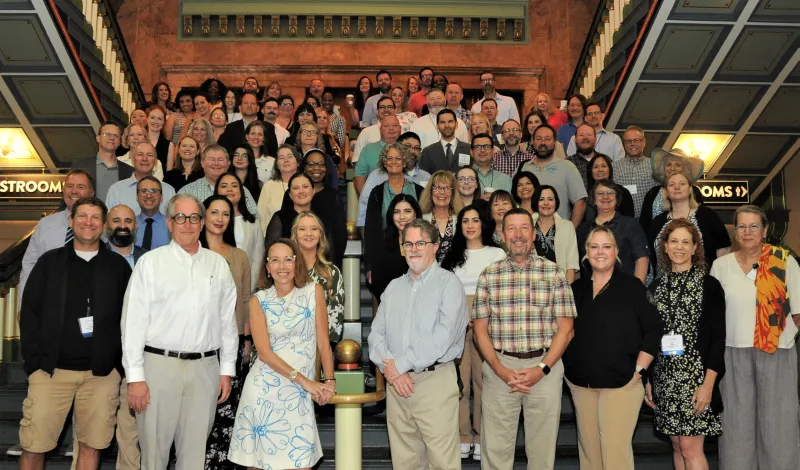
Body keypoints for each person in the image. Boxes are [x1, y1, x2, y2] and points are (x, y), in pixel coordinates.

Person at [121, 193, 239, 469]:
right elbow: (132, 324)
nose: (188, 224)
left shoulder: (218, 265)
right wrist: (135, 378)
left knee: (196, 455)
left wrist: (226, 371)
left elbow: (227, 322)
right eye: (180, 218)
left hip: (205, 369)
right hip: (157, 369)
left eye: (194, 218)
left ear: (202, 224)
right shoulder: (150, 263)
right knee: (154, 455)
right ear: (170, 224)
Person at [19, 196, 132, 470]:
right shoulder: (49, 262)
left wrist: (117, 365)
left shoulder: (118, 267)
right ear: (71, 221)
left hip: (101, 376)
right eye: (82, 216)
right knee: (34, 446)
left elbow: (130, 319)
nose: (88, 222)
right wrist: (34, 364)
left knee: (91, 446)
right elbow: (30, 313)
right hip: (51, 373)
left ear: (104, 225)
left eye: (95, 217)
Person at [473, 207, 576, 470]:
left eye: (524, 228)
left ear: (533, 234)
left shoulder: (554, 274)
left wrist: (541, 369)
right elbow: (480, 331)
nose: (518, 235)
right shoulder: (488, 275)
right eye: (511, 229)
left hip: (544, 368)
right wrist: (500, 369)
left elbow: (566, 330)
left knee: (542, 451)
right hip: (500, 370)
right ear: (502, 234)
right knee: (495, 449)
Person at [368, 219, 468, 470]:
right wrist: (391, 369)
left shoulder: (449, 284)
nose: (413, 249)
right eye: (408, 243)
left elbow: (442, 337)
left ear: (434, 246)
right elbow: (375, 336)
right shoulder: (392, 288)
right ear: (402, 248)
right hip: (397, 386)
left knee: (443, 463)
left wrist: (399, 365)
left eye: (420, 243)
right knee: (405, 463)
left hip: (434, 383)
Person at [228, 238, 335, 468]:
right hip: (263, 392)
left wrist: (330, 380)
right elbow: (264, 353)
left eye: (288, 259)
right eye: (274, 260)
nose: (282, 266)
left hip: (298, 395)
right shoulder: (259, 300)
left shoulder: (313, 291)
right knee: (258, 464)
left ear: (296, 263)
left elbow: (324, 343)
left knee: (301, 463)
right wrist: (306, 381)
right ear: (267, 267)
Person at [563, 225, 662, 470]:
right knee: (590, 454)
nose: (600, 252)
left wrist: (639, 370)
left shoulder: (632, 287)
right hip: (580, 383)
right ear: (585, 252)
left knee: (615, 454)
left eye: (606, 246)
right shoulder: (575, 290)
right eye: (594, 246)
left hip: (621, 384)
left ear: (616, 252)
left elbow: (653, 329)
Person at [710, 205, 800, 470]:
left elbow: (798, 310)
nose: (747, 232)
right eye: (741, 226)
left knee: (778, 421)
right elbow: (713, 315)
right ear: (735, 232)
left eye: (753, 226)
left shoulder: (784, 260)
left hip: (776, 352)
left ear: (765, 230)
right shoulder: (720, 265)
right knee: (736, 423)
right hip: (732, 351)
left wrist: (781, 336)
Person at [645, 219, 725, 470]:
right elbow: (649, 335)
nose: (679, 247)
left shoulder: (709, 285)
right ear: (665, 248)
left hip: (695, 379)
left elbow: (717, 338)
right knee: (678, 446)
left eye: (685, 242)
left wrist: (708, 385)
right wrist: (648, 379)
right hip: (665, 378)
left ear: (695, 248)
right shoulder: (655, 287)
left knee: (691, 448)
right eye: (674, 241)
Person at [440, 205, 506, 461]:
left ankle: (480, 435)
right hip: (457, 323)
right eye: (465, 221)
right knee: (460, 383)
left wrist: (481, 317)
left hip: (486, 322)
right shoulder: (451, 254)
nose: (469, 225)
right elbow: (444, 291)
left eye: (475, 220)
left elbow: (501, 290)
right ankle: (462, 435)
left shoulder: (497, 253)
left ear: (483, 224)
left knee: (483, 382)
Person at [198, 194, 253, 470]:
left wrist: (245, 340)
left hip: (230, 348)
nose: (220, 219)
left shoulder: (239, 256)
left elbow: (245, 300)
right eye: (214, 212)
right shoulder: (192, 253)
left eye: (226, 214)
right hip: (197, 346)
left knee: (226, 414)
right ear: (203, 216)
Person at [17, 169, 95, 311]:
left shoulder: (100, 224)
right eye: (69, 186)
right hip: (48, 306)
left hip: (89, 307)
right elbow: (29, 267)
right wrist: (24, 307)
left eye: (81, 187)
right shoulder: (45, 224)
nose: (74, 191)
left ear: (91, 193)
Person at [648, 169, 730, 279]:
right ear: (666, 191)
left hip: (702, 286)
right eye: (672, 185)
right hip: (664, 287)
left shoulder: (708, 216)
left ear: (690, 188)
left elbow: (723, 249)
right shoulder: (657, 222)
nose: (677, 187)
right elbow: (652, 257)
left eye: (682, 184)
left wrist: (717, 279)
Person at [577, 180, 649, 283]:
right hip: (592, 291)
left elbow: (642, 259)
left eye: (610, 193)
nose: (605, 197)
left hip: (625, 290)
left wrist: (636, 290)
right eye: (600, 193)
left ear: (617, 199)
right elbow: (579, 266)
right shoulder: (583, 229)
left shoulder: (630, 225)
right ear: (593, 199)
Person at [356, 132, 431, 228]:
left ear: (404, 162)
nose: (394, 162)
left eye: (398, 158)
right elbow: (365, 208)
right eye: (389, 158)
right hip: (383, 238)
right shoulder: (376, 186)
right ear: (384, 163)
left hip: (413, 238)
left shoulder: (419, 187)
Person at [518, 124, 588, 226]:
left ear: (555, 143)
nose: (543, 143)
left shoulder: (567, 167)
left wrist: (570, 231)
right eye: (538, 138)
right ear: (532, 142)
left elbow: (580, 202)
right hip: (527, 232)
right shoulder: (523, 167)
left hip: (558, 233)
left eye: (547, 139)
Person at [292, 212, 345, 343]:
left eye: (314, 229)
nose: (308, 233)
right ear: (295, 234)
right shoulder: (286, 270)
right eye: (302, 229)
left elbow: (335, 320)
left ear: (320, 234)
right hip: (287, 345)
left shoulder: (332, 272)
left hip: (320, 350)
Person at [364, 194, 422, 301]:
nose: (402, 217)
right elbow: (378, 285)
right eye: (397, 212)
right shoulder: (382, 245)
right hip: (390, 305)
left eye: (407, 211)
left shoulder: (426, 243)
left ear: (415, 215)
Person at [215, 172, 265, 292]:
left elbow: (257, 259)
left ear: (241, 191)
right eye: (224, 186)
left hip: (244, 287)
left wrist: (248, 289)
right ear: (217, 191)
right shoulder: (209, 221)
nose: (229, 189)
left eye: (234, 185)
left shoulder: (253, 223)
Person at [179, 145, 260, 217]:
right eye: (211, 159)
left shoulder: (241, 191)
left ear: (228, 164)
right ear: (202, 163)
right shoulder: (187, 192)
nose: (216, 163)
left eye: (220, 160)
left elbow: (255, 220)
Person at [639, 148, 705, 235]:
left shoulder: (694, 192)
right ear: (663, 168)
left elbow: (702, 221)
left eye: (678, 165)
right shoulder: (652, 193)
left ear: (684, 168)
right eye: (668, 164)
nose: (672, 168)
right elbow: (644, 224)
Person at [301, 149, 346, 265]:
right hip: (297, 259)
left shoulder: (333, 196)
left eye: (321, 164)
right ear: (304, 168)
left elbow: (339, 236)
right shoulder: (294, 194)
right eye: (311, 164)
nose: (317, 168)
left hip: (325, 261)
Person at [106, 142, 176, 215]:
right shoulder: (116, 190)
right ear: (133, 160)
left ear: (155, 161)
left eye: (149, 155)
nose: (144, 159)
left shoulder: (169, 191)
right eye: (140, 154)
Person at [71, 121, 133, 201]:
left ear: (120, 141)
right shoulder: (80, 167)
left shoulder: (129, 172)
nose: (111, 138)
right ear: (98, 138)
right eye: (107, 134)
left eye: (115, 135)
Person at [532, 185, 579, 282]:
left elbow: (571, 264)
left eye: (550, 199)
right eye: (541, 199)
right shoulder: (527, 225)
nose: (546, 203)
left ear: (556, 202)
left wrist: (567, 292)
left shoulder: (567, 226)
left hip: (559, 284)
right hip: (532, 284)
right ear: (536, 202)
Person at [612, 126, 658, 218]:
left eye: (636, 140)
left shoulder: (654, 165)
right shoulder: (613, 167)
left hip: (649, 220)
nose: (632, 144)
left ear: (644, 142)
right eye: (628, 141)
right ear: (624, 144)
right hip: (622, 221)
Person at [420, 170, 463, 262]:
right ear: (430, 192)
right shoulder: (422, 220)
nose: (442, 192)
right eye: (437, 188)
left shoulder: (460, 221)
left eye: (447, 188)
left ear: (453, 193)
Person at [257, 144, 300, 231]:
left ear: (298, 162)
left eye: (290, 156)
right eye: (281, 158)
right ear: (277, 164)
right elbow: (260, 218)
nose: (286, 160)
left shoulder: (306, 184)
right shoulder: (269, 186)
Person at [355, 113, 402, 193]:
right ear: (380, 130)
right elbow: (360, 176)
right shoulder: (368, 150)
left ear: (400, 129)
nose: (391, 129)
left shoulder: (407, 149)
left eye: (395, 125)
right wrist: (367, 200)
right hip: (375, 199)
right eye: (386, 126)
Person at [265, 173, 314, 244]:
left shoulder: (321, 215)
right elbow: (272, 249)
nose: (301, 191)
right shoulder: (280, 217)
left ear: (313, 191)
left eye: (305, 187)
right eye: (296, 188)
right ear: (290, 195)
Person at [585, 153, 635, 219]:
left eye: (604, 166)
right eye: (596, 167)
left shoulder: (623, 192)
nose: (600, 170)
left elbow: (629, 220)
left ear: (610, 169)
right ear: (591, 171)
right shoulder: (585, 195)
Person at [352, 95, 398, 164]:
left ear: (394, 111)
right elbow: (357, 161)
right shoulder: (366, 132)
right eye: (382, 107)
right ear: (377, 112)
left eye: (389, 107)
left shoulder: (401, 132)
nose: (386, 110)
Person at [567, 123, 608, 190]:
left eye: (589, 135)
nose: (585, 138)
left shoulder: (606, 161)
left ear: (595, 139)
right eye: (581, 135)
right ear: (575, 139)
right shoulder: (567, 164)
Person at [135, 176, 171, 250]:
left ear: (161, 198)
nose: (148, 195)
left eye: (154, 191)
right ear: (137, 197)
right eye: (144, 191)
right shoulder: (129, 224)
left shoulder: (171, 225)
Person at [146, 105, 175, 172]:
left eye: (160, 119)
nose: (156, 121)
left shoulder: (169, 146)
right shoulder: (139, 141)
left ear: (164, 122)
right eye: (152, 117)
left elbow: (168, 173)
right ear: (147, 119)